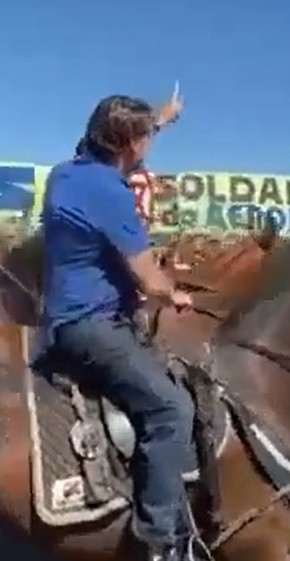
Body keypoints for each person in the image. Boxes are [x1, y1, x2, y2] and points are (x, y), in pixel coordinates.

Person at [39, 95, 198, 561]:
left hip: (61, 320)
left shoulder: (65, 175)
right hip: (93, 326)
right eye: (147, 135)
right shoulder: (111, 194)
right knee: (173, 409)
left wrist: (160, 122)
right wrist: (176, 293)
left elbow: (116, 159)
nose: (151, 141)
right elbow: (148, 277)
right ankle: (158, 542)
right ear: (131, 143)